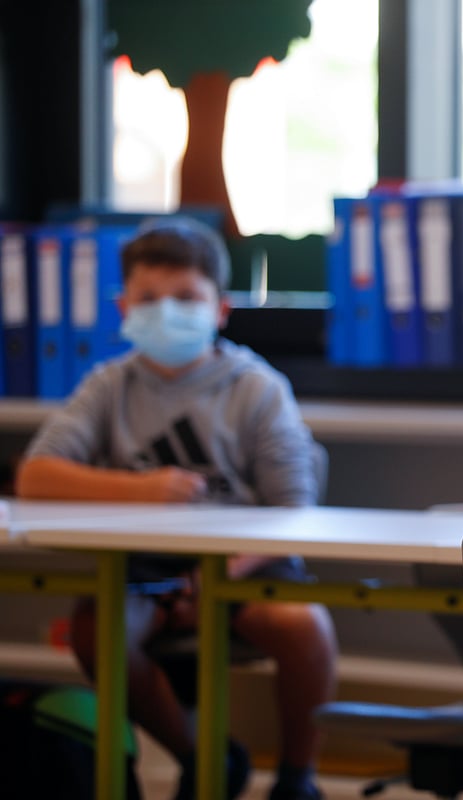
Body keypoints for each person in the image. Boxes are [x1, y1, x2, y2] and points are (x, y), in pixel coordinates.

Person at [15, 218, 338, 800]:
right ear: (123, 307)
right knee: (96, 634)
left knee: (304, 625)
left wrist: (214, 578)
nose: (167, 311)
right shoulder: (107, 386)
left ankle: (297, 777)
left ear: (220, 308)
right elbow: (36, 475)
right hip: (138, 570)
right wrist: (140, 490)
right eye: (149, 299)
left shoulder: (256, 388)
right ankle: (203, 756)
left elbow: (294, 509)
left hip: (244, 566)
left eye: (186, 298)